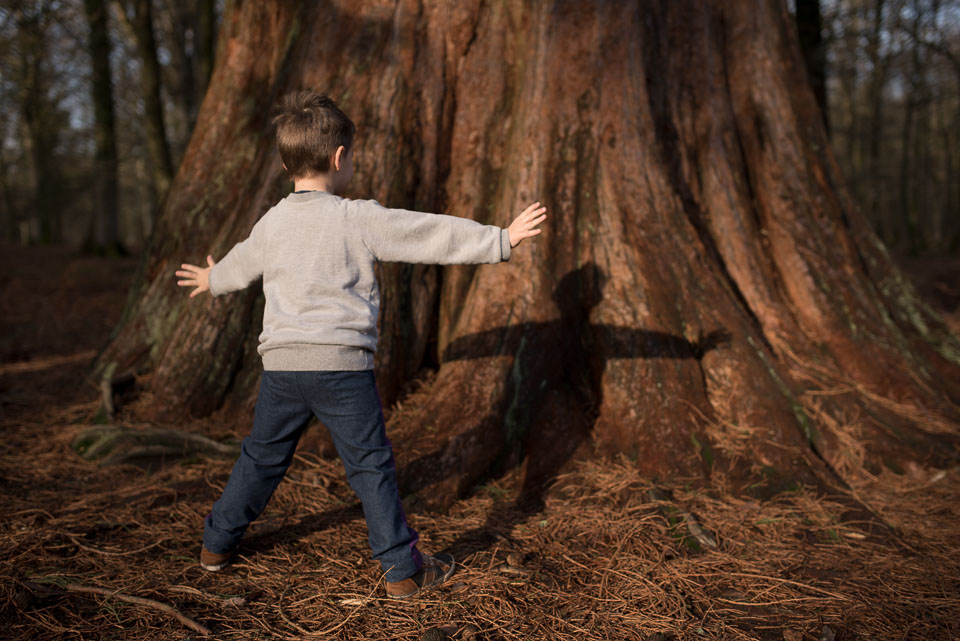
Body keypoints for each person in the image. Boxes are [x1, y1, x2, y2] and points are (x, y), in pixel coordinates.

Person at [174, 90, 547, 599]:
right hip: (342, 370)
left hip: (283, 369)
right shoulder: (357, 217)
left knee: (261, 458)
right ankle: (402, 571)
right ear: (340, 158)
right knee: (370, 465)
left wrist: (213, 279)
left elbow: (239, 264)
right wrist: (500, 239)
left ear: (286, 164)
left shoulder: (273, 222)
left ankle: (215, 544)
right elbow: (427, 234)